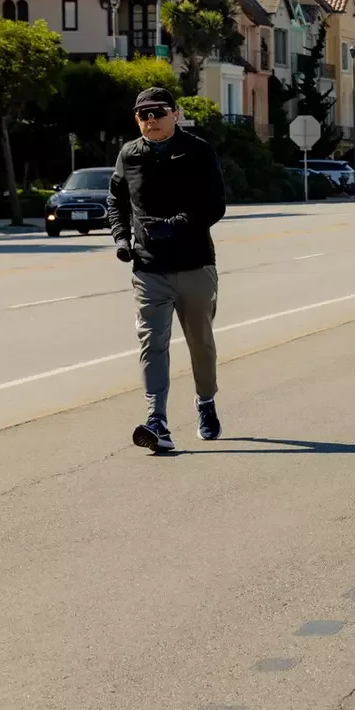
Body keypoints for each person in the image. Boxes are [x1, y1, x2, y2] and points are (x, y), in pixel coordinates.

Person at [107, 87, 227, 452]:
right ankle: (156, 418)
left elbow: (215, 205)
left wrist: (175, 225)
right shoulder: (129, 154)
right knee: (152, 342)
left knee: (200, 343)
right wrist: (121, 239)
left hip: (195, 265)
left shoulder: (198, 150)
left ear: (175, 114)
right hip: (149, 269)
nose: (151, 120)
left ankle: (205, 403)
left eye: (158, 112)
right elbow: (116, 199)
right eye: (143, 115)